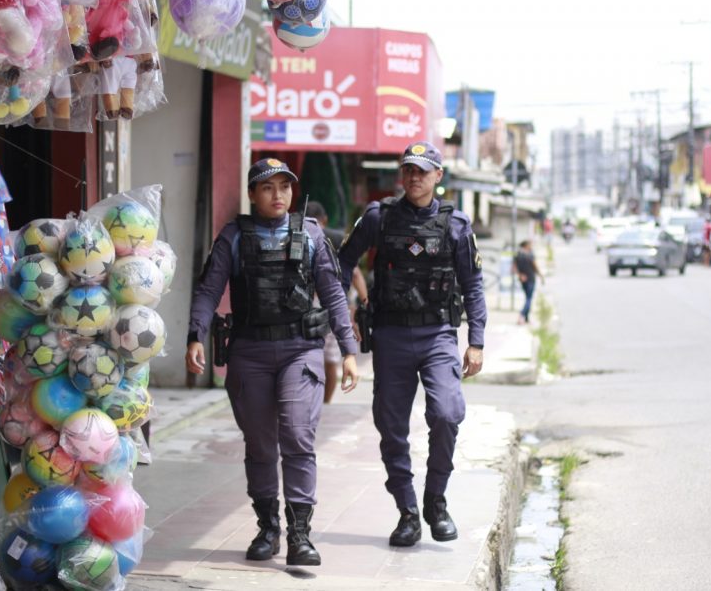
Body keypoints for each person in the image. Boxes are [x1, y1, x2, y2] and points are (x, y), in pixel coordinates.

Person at [185, 158, 359, 567]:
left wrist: (349, 351)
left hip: (301, 349)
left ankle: (300, 534)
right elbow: (209, 290)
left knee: (298, 435)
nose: (278, 195)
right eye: (267, 187)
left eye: (285, 186)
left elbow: (333, 295)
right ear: (252, 194)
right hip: (250, 352)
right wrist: (195, 335)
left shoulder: (312, 235)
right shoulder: (232, 237)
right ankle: (268, 528)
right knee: (261, 444)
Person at [338, 141, 487, 548]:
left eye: (423, 170)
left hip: (437, 334)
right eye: (409, 170)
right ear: (401, 175)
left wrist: (476, 341)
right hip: (390, 335)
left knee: (446, 413)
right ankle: (407, 512)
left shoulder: (456, 225)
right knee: (391, 427)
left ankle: (435, 500)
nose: (415, 177)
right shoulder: (378, 218)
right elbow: (341, 264)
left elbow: (473, 285)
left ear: (439, 176)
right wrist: (350, 306)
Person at [305, 200, 369, 404]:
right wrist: (364, 302)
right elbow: (356, 274)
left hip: (307, 304)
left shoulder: (294, 234)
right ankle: (326, 403)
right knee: (330, 359)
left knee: (306, 355)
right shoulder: (337, 237)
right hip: (333, 302)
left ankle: (314, 401)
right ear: (325, 219)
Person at [512, 240, 544, 325]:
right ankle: (522, 314)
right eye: (530, 244)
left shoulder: (518, 254)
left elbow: (514, 268)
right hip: (530, 279)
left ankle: (526, 318)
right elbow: (535, 266)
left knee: (527, 298)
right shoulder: (530, 254)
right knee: (529, 299)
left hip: (523, 279)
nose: (531, 246)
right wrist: (541, 276)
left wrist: (520, 275)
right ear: (526, 245)